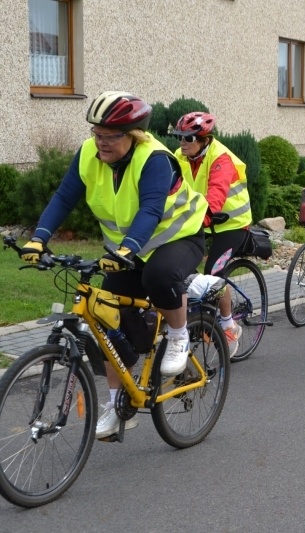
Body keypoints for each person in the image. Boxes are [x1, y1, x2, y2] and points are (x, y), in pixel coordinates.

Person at [18, 91, 208, 439]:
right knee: (104, 315)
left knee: (160, 275)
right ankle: (119, 403)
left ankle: (179, 335)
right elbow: (64, 196)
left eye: (110, 136)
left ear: (133, 135)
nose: (100, 142)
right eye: (96, 134)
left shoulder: (155, 160)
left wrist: (127, 249)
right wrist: (39, 238)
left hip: (177, 238)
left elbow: (151, 209)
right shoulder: (89, 154)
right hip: (128, 250)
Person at [172, 112, 251, 357]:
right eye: (179, 138)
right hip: (200, 221)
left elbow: (215, 198)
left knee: (213, 274)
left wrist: (195, 221)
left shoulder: (221, 159)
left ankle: (228, 325)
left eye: (189, 138)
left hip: (231, 223)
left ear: (204, 139)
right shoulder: (179, 157)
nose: (183, 143)